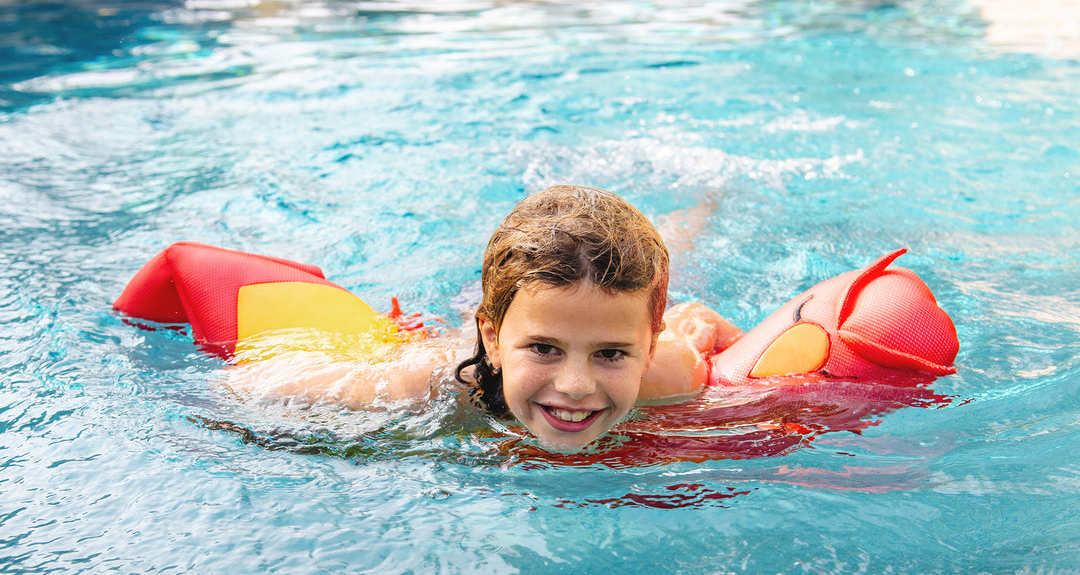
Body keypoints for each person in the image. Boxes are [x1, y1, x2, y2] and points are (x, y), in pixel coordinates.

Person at [227, 184, 743, 450]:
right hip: (450, 334)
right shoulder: (426, 386)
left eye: (610, 354)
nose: (576, 385)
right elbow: (249, 385)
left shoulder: (673, 372)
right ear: (493, 341)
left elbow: (701, 324)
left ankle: (703, 204)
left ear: (648, 348)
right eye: (543, 348)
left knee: (676, 248)